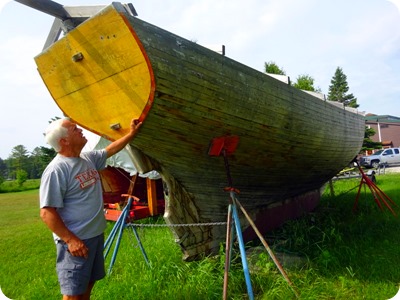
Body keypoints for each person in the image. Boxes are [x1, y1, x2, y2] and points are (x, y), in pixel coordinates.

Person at [39, 117, 141, 300]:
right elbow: (47, 212)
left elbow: (111, 149)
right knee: (73, 294)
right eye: (74, 129)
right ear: (64, 141)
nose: (80, 129)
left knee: (87, 285)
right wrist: (71, 241)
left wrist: (131, 134)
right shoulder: (57, 170)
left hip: (94, 235)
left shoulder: (87, 158)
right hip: (76, 243)